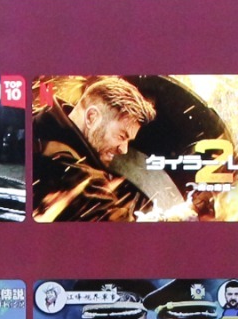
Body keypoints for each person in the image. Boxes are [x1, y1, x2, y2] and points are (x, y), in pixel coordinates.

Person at [31, 76, 157, 221]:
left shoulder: (38, 129)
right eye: (122, 136)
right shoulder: (75, 174)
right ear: (91, 117)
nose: (124, 150)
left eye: (128, 141)